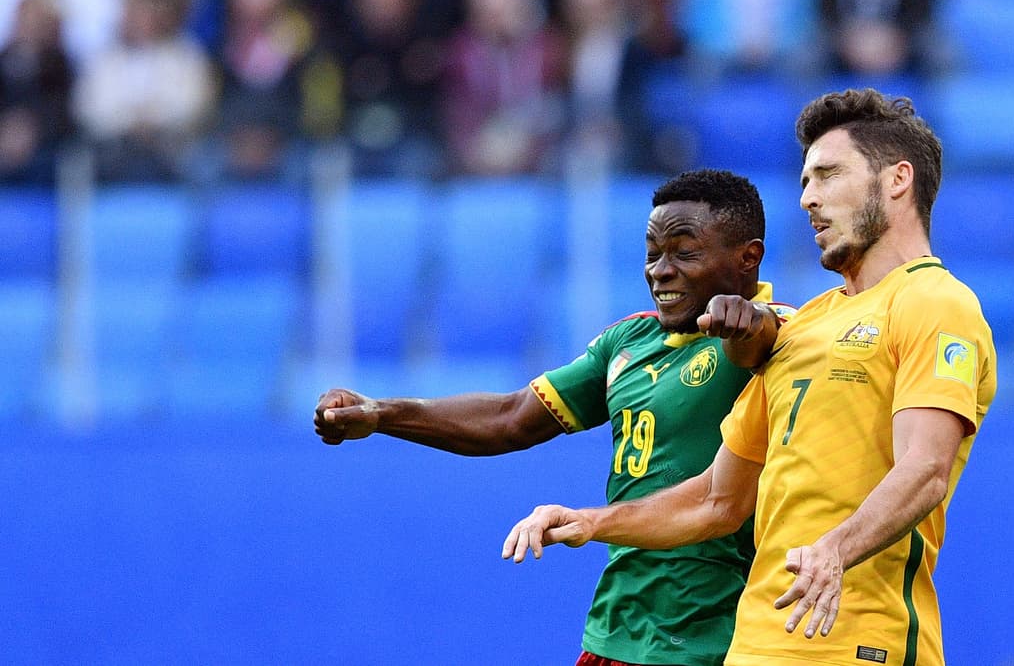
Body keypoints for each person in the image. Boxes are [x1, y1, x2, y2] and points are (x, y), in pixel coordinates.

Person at [504, 89, 998, 666]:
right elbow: (718, 499)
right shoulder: (806, 325)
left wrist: (834, 549)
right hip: (756, 645)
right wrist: (594, 521)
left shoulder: (935, 303)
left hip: (861, 643)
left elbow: (925, 469)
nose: (808, 199)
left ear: (897, 180)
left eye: (828, 175)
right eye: (805, 182)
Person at [315, 168, 793, 666]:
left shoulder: (785, 335)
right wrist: (380, 413)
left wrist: (750, 323)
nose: (659, 271)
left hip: (721, 640)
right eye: (652, 254)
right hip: (616, 631)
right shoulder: (628, 342)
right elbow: (511, 417)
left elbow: (759, 341)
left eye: (684, 252)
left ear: (748, 258)